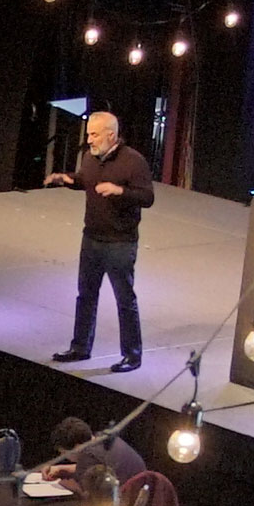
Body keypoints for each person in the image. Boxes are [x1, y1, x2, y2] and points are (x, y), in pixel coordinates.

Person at [43, 108, 154, 373]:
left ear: (111, 135)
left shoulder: (134, 161)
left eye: (94, 135)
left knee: (124, 300)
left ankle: (132, 355)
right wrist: (67, 179)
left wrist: (119, 191)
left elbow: (147, 197)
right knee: (86, 296)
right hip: (91, 238)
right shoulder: (90, 158)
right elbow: (85, 180)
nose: (89, 140)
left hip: (120, 242)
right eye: (88, 135)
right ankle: (80, 347)